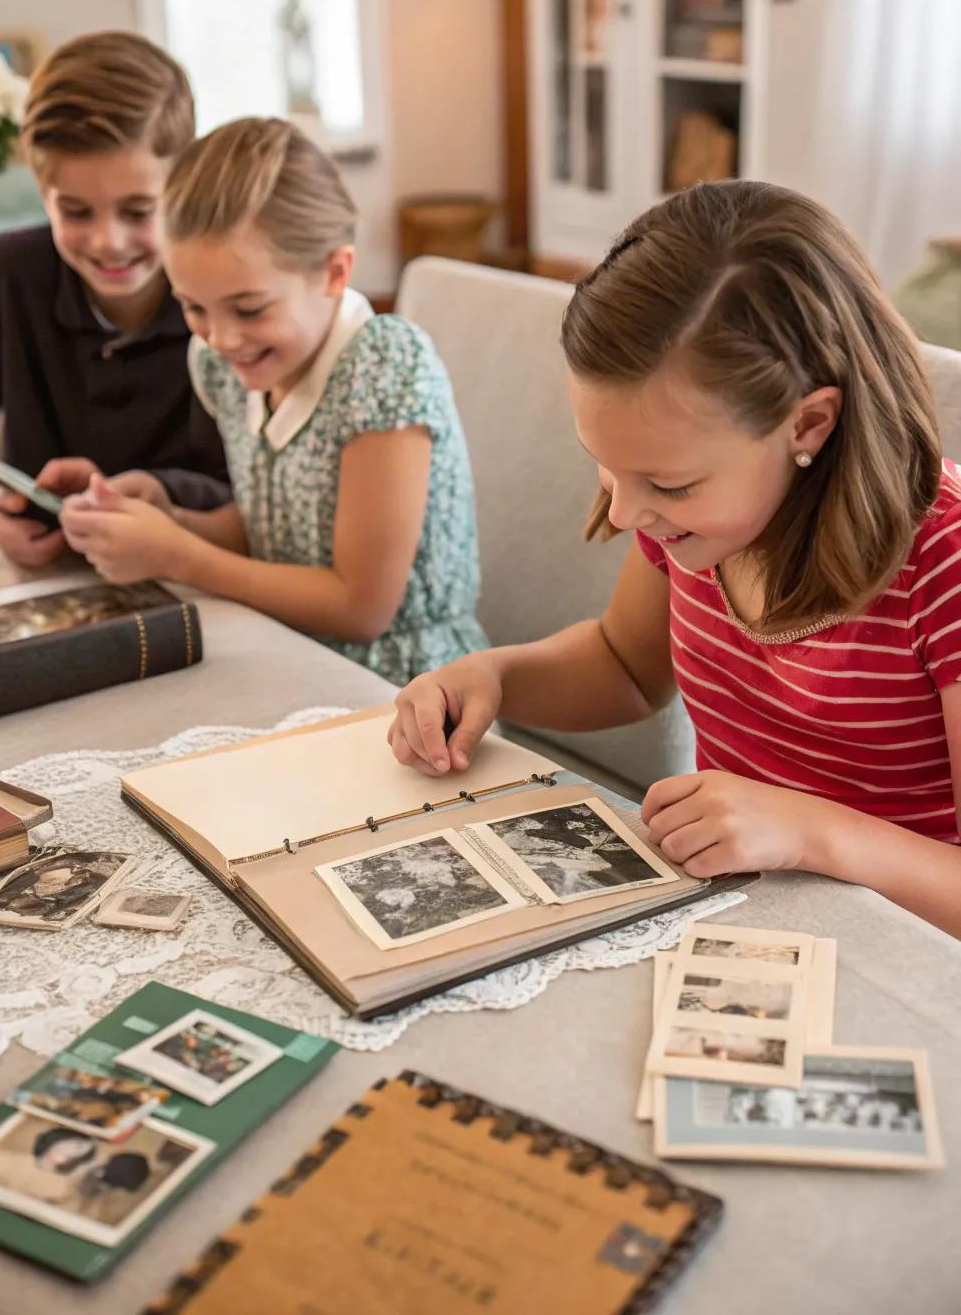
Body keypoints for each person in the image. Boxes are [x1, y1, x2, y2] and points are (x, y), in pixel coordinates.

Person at [389, 181, 961, 938]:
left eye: (668, 483)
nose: (626, 514)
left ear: (810, 425)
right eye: (605, 466)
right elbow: (626, 669)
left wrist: (811, 832)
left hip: (906, 952)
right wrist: (496, 677)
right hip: (737, 917)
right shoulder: (694, 527)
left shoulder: (944, 560)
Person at [61, 118, 486, 684]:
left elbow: (361, 608)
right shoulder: (223, 363)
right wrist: (170, 519)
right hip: (285, 651)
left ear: (334, 272)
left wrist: (176, 555)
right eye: (194, 307)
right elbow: (276, 528)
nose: (221, 337)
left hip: (407, 687)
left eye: (250, 308)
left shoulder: (384, 366)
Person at [0, 31, 229, 564]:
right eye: (75, 212)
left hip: (206, 576)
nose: (108, 242)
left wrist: (165, 499)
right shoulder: (2, 274)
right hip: (47, 588)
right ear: (43, 195)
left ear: (184, 183)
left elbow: (267, 490)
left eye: (139, 212)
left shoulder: (234, 290)